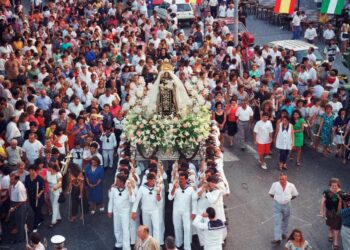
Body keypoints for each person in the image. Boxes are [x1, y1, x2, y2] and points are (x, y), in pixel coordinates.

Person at [168, 172, 197, 250]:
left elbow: (194, 201)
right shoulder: (175, 187)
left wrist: (194, 212)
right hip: (176, 211)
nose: (180, 181)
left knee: (187, 229)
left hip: (186, 212)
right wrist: (174, 188)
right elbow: (170, 198)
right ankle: (178, 243)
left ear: (186, 179)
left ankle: (187, 247)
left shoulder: (191, 189)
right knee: (177, 227)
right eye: (179, 179)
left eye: (182, 179)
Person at [269, 173, 299, 246]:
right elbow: (271, 194)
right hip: (277, 205)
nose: (281, 180)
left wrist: (287, 200)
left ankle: (284, 233)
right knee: (277, 221)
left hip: (287, 205)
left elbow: (295, 195)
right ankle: (277, 239)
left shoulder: (291, 186)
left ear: (286, 179)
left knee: (286, 220)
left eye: (283, 179)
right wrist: (278, 199)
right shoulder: (275, 185)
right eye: (280, 179)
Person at [108, 173, 135, 250]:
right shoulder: (113, 189)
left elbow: (132, 200)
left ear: (122, 182)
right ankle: (119, 243)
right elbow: (111, 201)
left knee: (125, 229)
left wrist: (130, 190)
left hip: (125, 213)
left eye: (118, 181)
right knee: (117, 228)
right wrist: (110, 211)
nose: (116, 182)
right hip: (116, 212)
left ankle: (126, 247)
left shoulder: (128, 189)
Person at [132, 173, 162, 243]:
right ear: (148, 180)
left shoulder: (157, 188)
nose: (152, 182)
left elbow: (159, 201)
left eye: (153, 181)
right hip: (145, 211)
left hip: (155, 211)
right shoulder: (142, 188)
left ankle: (156, 245)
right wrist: (134, 212)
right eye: (150, 181)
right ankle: (148, 245)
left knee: (156, 228)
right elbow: (137, 201)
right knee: (147, 229)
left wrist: (158, 193)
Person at [320, 178, 344, 250]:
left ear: (338, 185)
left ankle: (335, 241)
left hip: (338, 212)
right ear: (330, 185)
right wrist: (322, 211)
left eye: (336, 186)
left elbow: (345, 204)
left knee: (336, 227)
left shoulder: (342, 193)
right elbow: (323, 202)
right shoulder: (326, 192)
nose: (334, 187)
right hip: (329, 211)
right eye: (332, 186)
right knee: (330, 223)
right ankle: (330, 231)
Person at [25, 165, 45, 232]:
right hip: (31, 197)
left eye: (31, 170)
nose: (30, 172)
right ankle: (41, 218)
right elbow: (26, 187)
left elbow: (42, 188)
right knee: (34, 209)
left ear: (34, 171)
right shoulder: (27, 177)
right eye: (29, 171)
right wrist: (27, 197)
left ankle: (35, 226)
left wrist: (39, 195)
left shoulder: (39, 178)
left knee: (37, 211)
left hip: (38, 197)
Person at [8, 171, 27, 243]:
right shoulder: (13, 184)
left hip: (20, 206)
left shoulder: (20, 188)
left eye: (11, 179)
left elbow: (22, 201)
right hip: (14, 204)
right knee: (16, 221)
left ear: (16, 179)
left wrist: (14, 208)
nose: (10, 181)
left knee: (20, 223)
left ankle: (20, 239)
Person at [46, 162, 62, 228]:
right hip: (50, 190)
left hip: (57, 191)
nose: (47, 168)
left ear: (51, 168)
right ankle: (58, 217)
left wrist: (56, 187)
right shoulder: (48, 173)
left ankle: (53, 221)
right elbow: (45, 180)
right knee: (53, 205)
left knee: (55, 205)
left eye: (48, 167)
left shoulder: (58, 174)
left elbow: (60, 183)